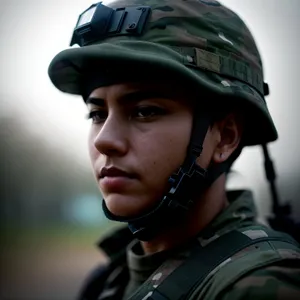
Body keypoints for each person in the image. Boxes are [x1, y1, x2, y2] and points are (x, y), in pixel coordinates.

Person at [48, 0, 300, 299]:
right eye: (97, 114)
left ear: (225, 137)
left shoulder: (260, 286)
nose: (104, 140)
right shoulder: (109, 279)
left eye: (144, 111)